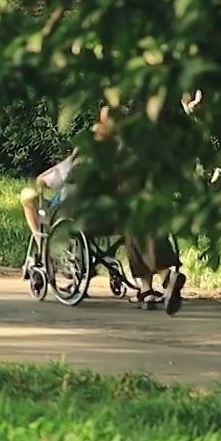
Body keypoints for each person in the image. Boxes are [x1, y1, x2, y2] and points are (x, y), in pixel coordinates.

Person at [19, 105, 187, 315]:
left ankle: (149, 289)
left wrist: (43, 181)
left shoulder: (84, 158)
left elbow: (51, 179)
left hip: (85, 220)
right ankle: (162, 277)